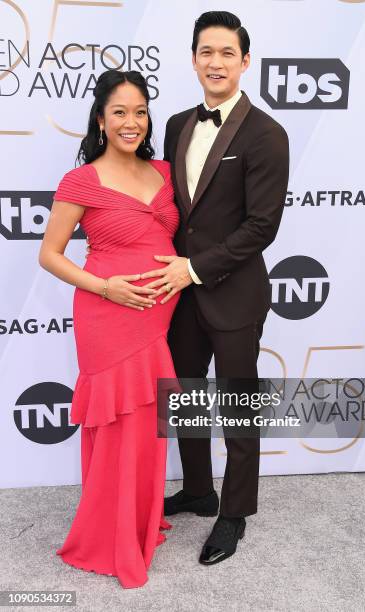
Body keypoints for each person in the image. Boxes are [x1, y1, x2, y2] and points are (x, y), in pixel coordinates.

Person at [139, 11, 290, 565]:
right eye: (207, 51)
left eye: (227, 52)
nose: (216, 62)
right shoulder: (178, 123)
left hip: (232, 292)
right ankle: (200, 490)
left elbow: (262, 226)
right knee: (185, 397)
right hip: (179, 295)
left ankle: (233, 513)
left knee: (237, 404)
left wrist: (195, 269)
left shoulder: (268, 134)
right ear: (194, 58)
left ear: (244, 61)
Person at [38, 70, 180, 589]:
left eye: (140, 111)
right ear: (100, 119)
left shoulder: (164, 172)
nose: (131, 122)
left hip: (158, 318)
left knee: (146, 422)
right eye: (119, 112)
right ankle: (108, 534)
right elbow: (50, 255)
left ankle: (138, 520)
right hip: (108, 315)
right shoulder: (82, 180)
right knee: (119, 423)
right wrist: (107, 288)